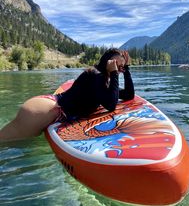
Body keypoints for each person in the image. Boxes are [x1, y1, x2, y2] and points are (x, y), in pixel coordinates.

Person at [0, 49, 134, 141]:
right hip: (48, 110)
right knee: (5, 145)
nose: (118, 68)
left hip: (50, 110)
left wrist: (126, 69)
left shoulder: (103, 81)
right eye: (116, 64)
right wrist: (115, 73)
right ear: (107, 63)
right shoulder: (96, 76)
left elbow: (128, 95)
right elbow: (111, 105)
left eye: (121, 66)